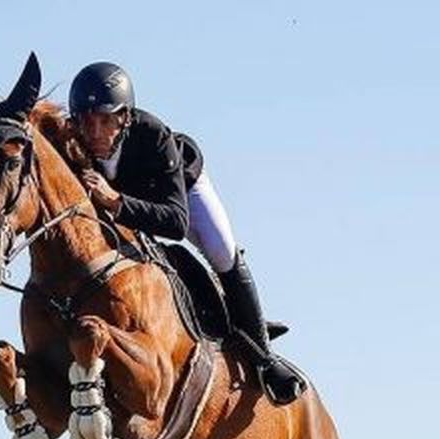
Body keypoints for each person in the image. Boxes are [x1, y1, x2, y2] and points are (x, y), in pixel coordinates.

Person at [68, 61, 306, 405]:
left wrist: (116, 202)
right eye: (86, 121)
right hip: (125, 205)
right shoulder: (73, 140)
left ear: (125, 118)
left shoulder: (153, 136)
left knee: (221, 249)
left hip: (181, 191)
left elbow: (176, 223)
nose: (95, 133)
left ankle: (264, 359)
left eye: (106, 121)